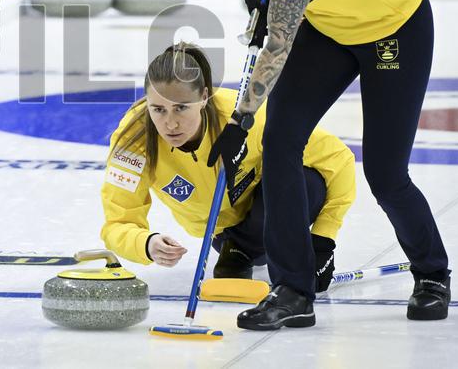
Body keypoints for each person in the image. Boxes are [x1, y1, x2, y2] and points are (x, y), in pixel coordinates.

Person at [178, 0, 451, 330]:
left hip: (393, 28)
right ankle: (292, 290)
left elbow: (278, 46)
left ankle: (432, 275)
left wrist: (241, 119)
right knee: (281, 141)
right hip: (330, 25)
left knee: (386, 174)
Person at [101, 43, 355, 291]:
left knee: (308, 182)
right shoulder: (133, 140)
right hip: (220, 233)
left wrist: (323, 239)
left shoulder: (246, 117)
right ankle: (236, 250)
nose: (170, 124)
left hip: (273, 211)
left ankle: (245, 252)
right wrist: (145, 243)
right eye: (158, 109)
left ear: (203, 97)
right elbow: (117, 223)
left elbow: (339, 160)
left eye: (180, 108)